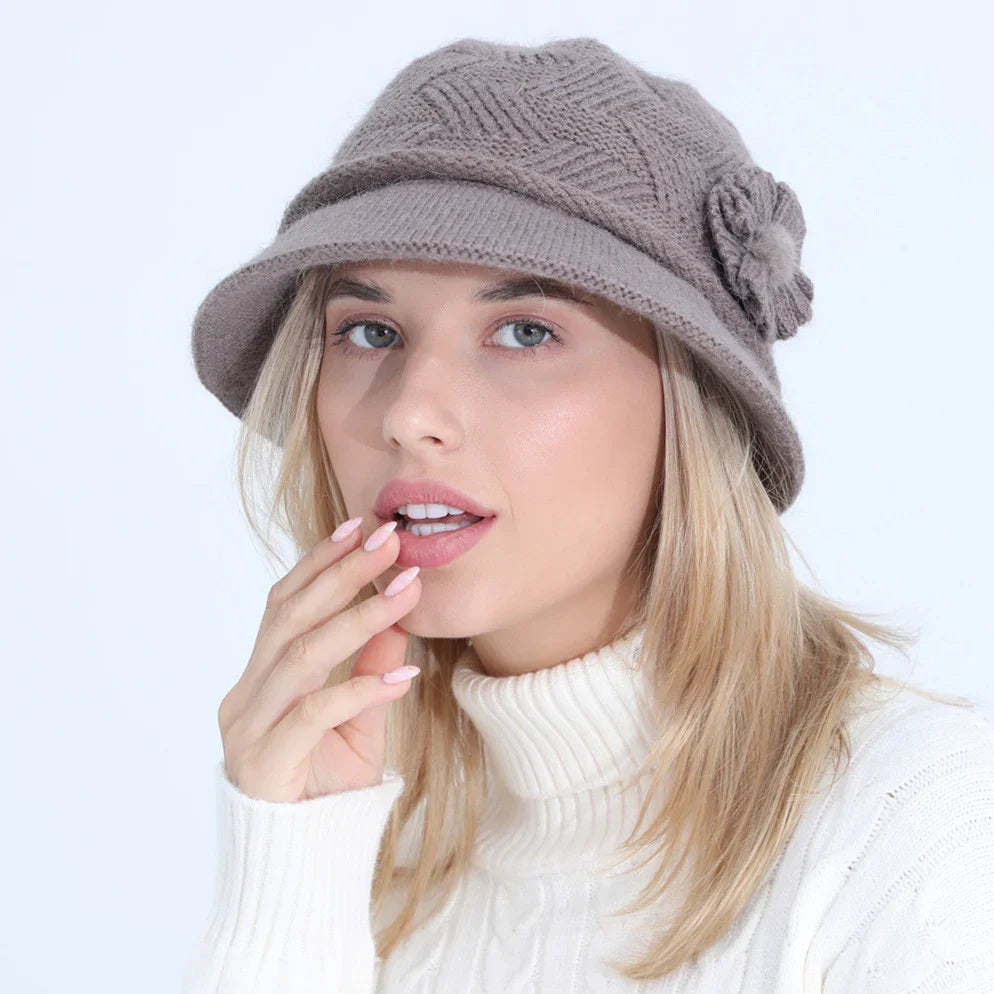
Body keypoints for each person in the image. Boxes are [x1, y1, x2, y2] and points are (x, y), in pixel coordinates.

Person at [182, 37, 994, 993]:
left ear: (692, 401)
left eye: (525, 331)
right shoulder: (381, 854)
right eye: (370, 331)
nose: (408, 416)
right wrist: (292, 873)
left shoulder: (919, 834)